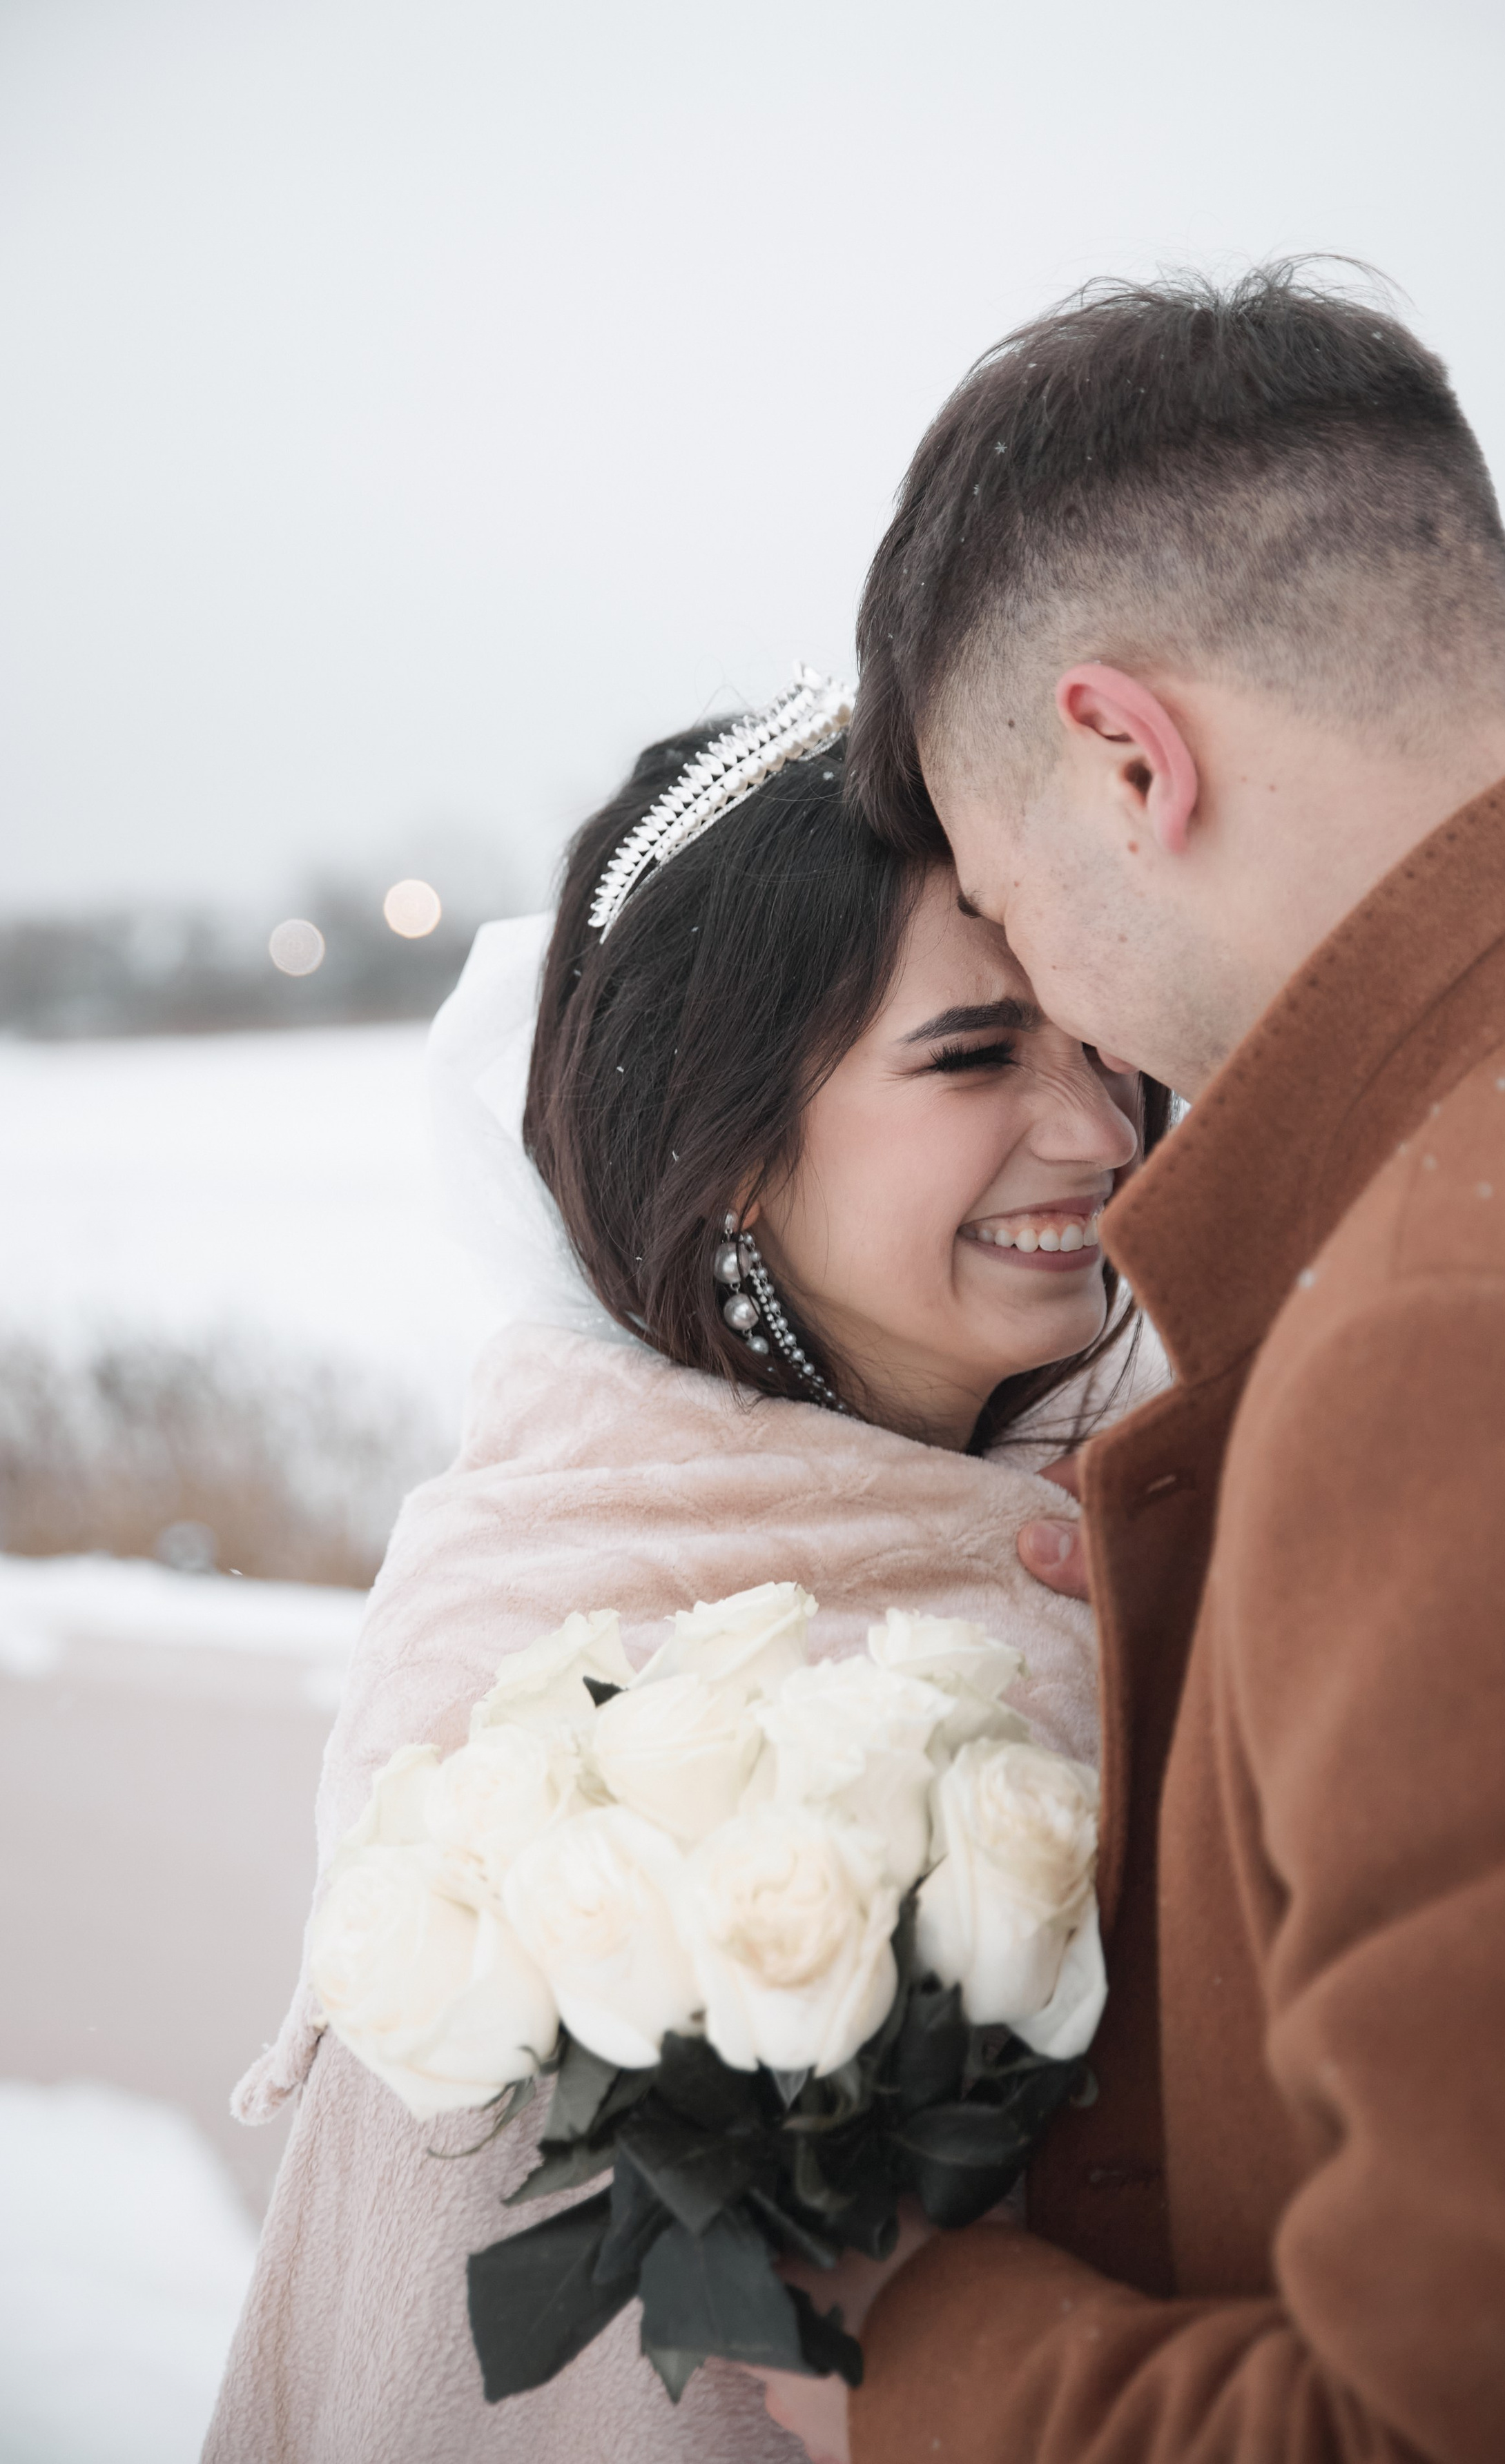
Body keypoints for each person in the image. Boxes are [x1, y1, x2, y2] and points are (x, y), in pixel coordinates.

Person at [755, 272, 1505, 2464]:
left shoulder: (1475, 1347)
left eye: (1010, 895)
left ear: (1132, 756)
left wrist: (914, 2351)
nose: (1068, 1017)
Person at [202, 673, 1167, 2464]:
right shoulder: (561, 1699)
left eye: (1096, 1027)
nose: (1101, 1127)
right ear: (725, 1146)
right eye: (975, 1054)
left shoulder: (1181, 1489)